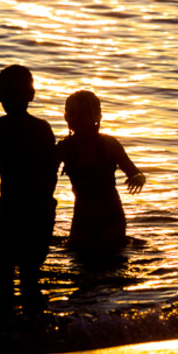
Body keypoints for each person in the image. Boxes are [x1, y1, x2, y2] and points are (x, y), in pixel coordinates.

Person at [0, 65, 58, 301]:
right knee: (31, 274)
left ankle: (4, 331)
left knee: (2, 274)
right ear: (31, 95)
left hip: (11, 209)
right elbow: (51, 172)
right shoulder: (43, 127)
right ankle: (34, 329)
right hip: (41, 208)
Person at [56, 90, 145, 254]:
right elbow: (46, 178)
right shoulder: (64, 147)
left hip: (111, 218)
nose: (77, 118)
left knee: (112, 262)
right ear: (66, 116)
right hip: (81, 218)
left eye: (84, 113)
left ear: (98, 117)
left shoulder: (109, 144)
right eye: (72, 113)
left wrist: (138, 179)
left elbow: (134, 172)